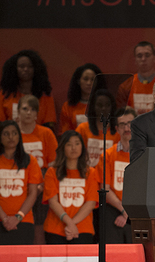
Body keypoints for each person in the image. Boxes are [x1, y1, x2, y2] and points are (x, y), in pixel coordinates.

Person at [43, 130, 99, 244]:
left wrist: (72, 224)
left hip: (83, 229)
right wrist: (70, 223)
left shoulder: (91, 173)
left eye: (77, 143)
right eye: (69, 144)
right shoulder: (52, 172)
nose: (74, 147)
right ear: (62, 148)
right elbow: (53, 201)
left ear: (82, 147)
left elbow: (91, 202)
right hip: (55, 229)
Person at [17, 95, 58, 244]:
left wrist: (42, 184)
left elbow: (54, 163)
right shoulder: (13, 135)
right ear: (18, 111)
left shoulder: (46, 133)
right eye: (25, 109)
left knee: (39, 225)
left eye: (33, 109)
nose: (29, 113)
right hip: (17, 185)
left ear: (37, 113)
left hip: (41, 185)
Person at [96, 107, 137, 244]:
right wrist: (124, 211)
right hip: (114, 209)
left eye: (130, 123)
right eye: (122, 124)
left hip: (139, 209)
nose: (127, 128)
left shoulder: (146, 154)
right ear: (117, 129)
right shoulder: (108, 155)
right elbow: (105, 189)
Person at [0, 120, 42, 244]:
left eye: (14, 133)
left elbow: (33, 193)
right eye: (6, 134)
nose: (11, 137)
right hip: (2, 219)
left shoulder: (30, 161)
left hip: (24, 220)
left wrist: (18, 217)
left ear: (19, 136)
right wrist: (5, 218)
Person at [0, 50, 57, 131]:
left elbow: (48, 125)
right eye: (22, 66)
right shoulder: (4, 94)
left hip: (37, 140)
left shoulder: (45, 95)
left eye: (30, 66)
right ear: (14, 69)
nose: (26, 69)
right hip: (11, 139)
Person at [76, 89, 121, 167]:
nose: (103, 108)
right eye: (100, 105)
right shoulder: (82, 129)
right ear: (93, 106)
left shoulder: (118, 131)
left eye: (107, 105)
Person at [117, 41, 155, 115]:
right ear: (135, 60)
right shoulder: (125, 86)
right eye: (139, 56)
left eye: (147, 55)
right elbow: (121, 115)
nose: (143, 59)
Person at [60, 63, 102, 134]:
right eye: (85, 79)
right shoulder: (68, 106)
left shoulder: (105, 106)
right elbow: (65, 135)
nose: (89, 83)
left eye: (93, 79)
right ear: (78, 81)